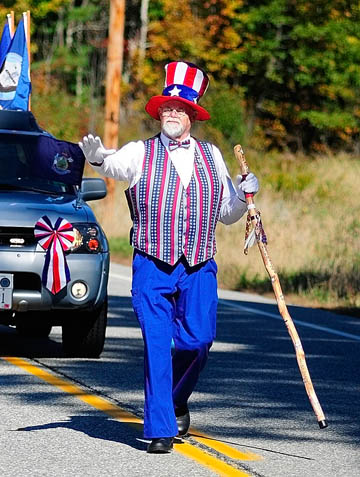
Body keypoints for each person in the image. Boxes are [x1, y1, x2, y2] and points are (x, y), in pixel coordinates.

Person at [79, 61, 260, 454]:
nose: (172, 114)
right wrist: (96, 159)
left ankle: (176, 400)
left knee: (198, 341)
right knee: (157, 344)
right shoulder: (140, 152)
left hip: (199, 265)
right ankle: (160, 427)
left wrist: (246, 195)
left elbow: (225, 213)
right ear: (159, 112)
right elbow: (113, 164)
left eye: (180, 109)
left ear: (192, 115)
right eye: (167, 108)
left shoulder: (212, 156)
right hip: (151, 263)